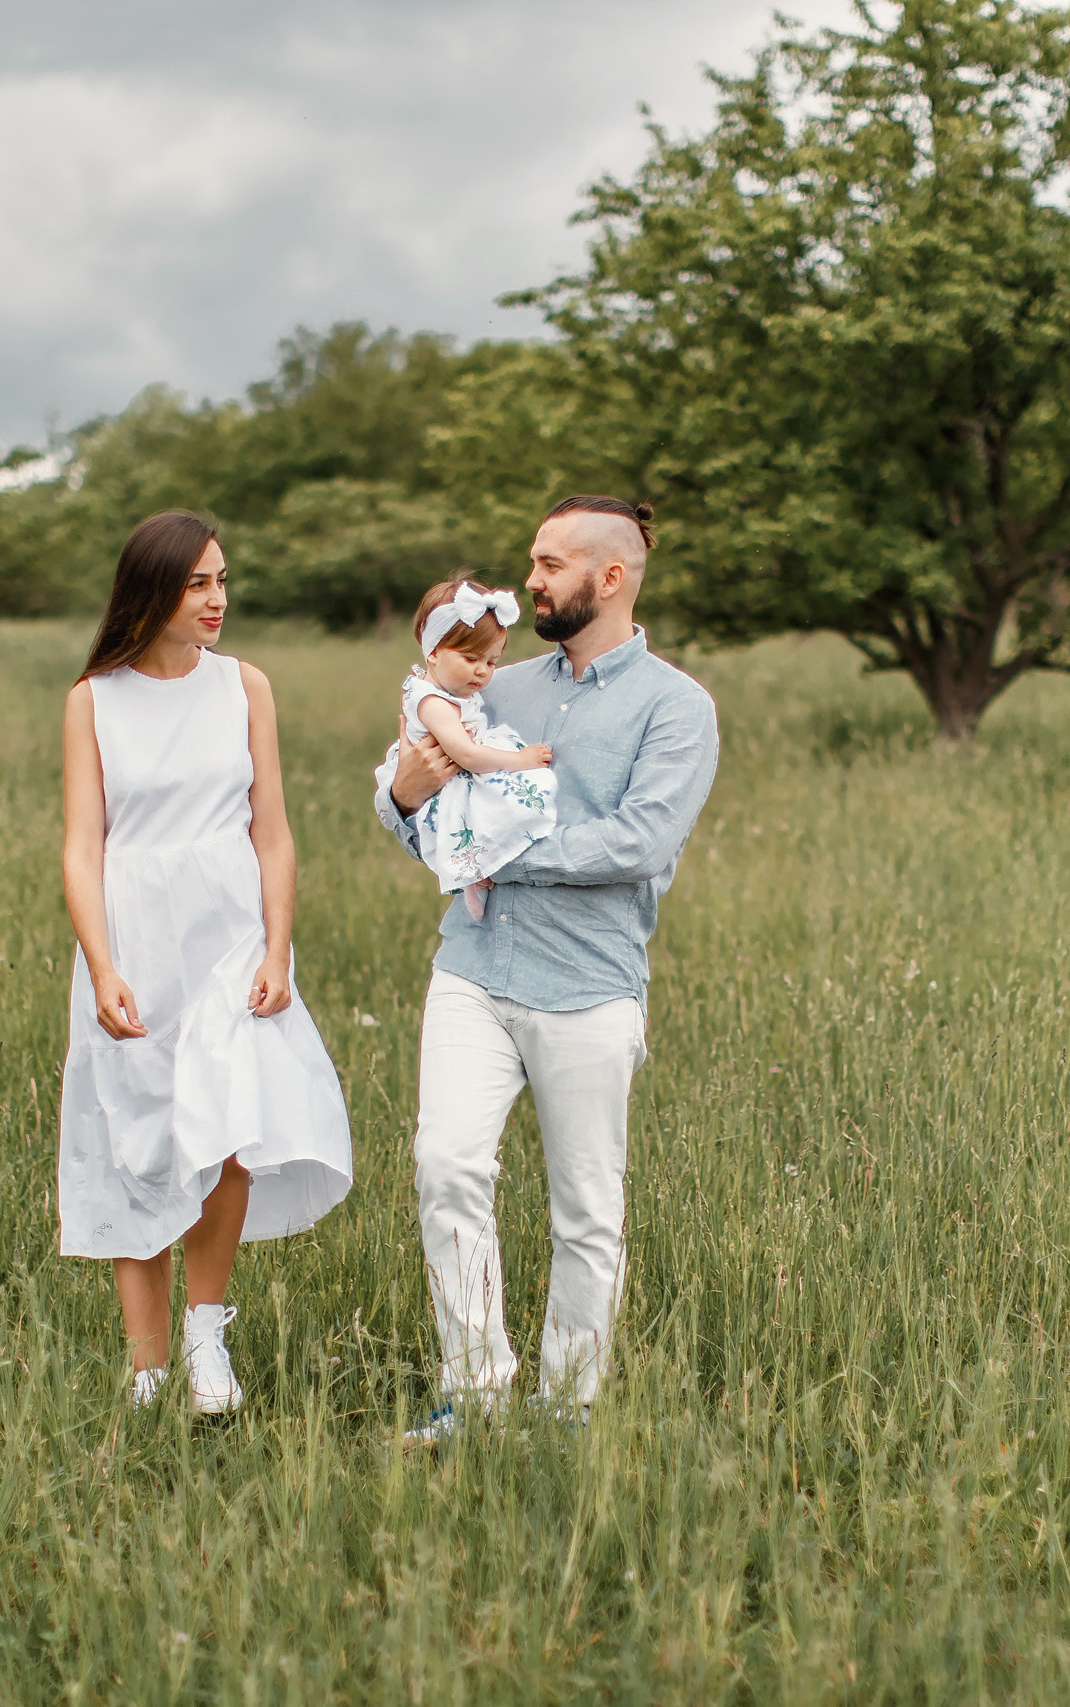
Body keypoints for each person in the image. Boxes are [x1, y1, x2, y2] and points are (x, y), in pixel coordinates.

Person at [372, 496, 720, 1439]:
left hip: (592, 986)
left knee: (587, 1210)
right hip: (474, 970)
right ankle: (476, 1395)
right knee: (445, 1165)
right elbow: (414, 799)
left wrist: (491, 852)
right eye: (532, 559)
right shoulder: (497, 685)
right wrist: (405, 795)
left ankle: (564, 1414)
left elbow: (638, 843)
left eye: (551, 563)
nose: (530, 580)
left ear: (609, 579)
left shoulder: (678, 708)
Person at [60, 509, 352, 1416]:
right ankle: (146, 1372)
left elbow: (272, 833)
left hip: (229, 935)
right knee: (137, 1142)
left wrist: (277, 946)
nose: (217, 598)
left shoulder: (245, 688)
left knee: (228, 1137)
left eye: (223, 579)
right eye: (197, 583)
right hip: (134, 936)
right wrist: (102, 965)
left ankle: (206, 1338)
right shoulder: (93, 699)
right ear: (152, 590)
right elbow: (82, 847)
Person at [397, 576, 557, 921]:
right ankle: (478, 872)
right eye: (471, 658)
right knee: (495, 804)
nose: (483, 671)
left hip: (465, 769)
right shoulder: (434, 702)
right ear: (434, 651)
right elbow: (466, 755)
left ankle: (483, 870)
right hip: (457, 776)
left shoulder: (452, 693)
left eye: (492, 661)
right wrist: (520, 760)